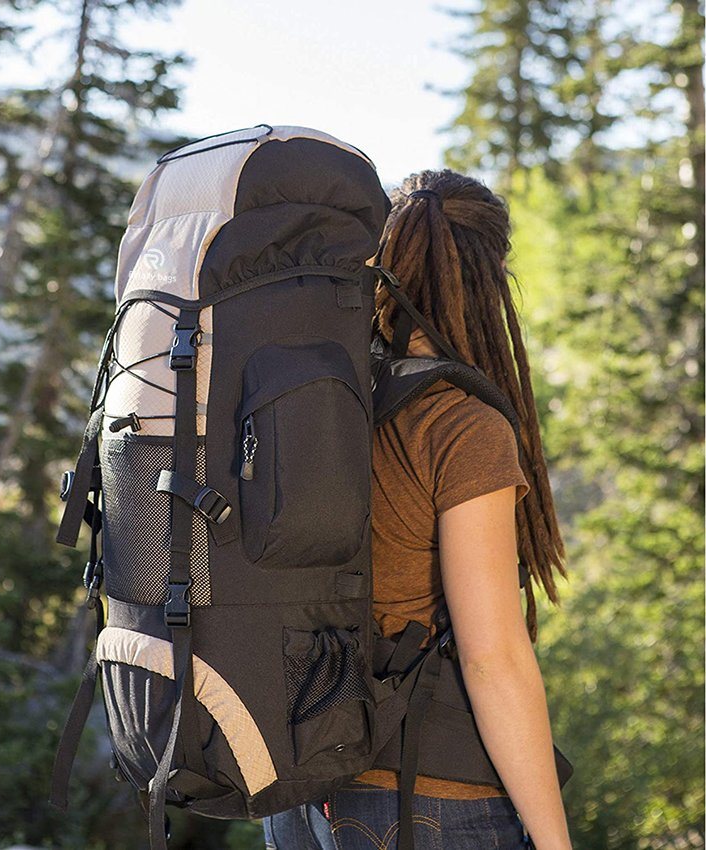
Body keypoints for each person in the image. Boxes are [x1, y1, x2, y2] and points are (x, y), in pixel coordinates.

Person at [264, 169, 572, 850]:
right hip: (427, 794)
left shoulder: (321, 409)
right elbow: (493, 659)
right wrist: (555, 840)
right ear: (491, 279)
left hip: (297, 790)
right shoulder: (460, 426)